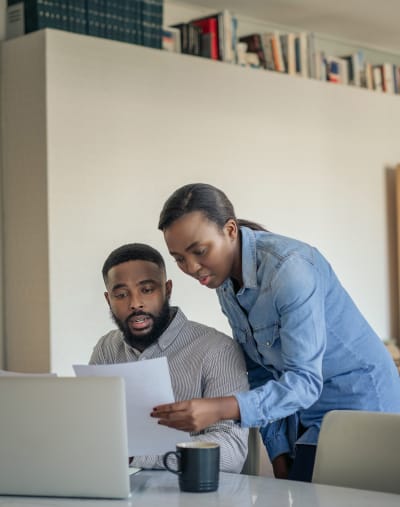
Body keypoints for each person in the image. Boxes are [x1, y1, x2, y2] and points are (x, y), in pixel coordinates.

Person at [152, 182, 400, 482]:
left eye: (200, 251)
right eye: (179, 258)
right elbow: (259, 370)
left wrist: (221, 408)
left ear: (230, 230)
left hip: (361, 405)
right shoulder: (223, 281)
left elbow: (305, 382)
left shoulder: (290, 271)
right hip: (306, 412)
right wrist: (278, 449)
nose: (191, 268)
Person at [90, 242, 249, 473]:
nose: (135, 304)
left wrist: (140, 455)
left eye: (147, 290)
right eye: (122, 294)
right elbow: (93, 428)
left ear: (168, 289)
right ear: (108, 300)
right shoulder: (107, 348)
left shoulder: (217, 349)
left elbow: (231, 452)